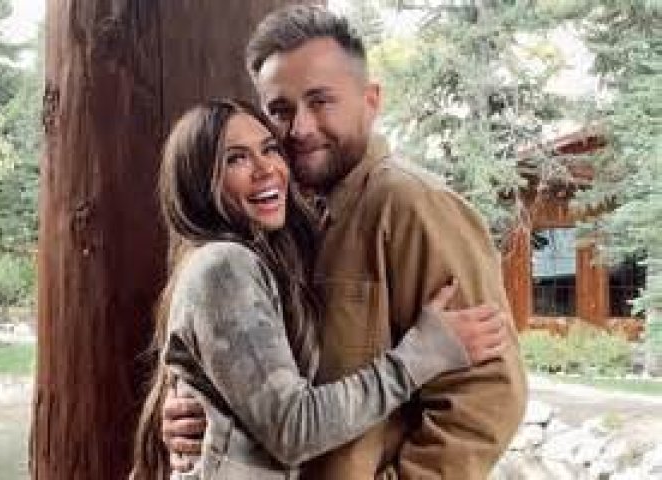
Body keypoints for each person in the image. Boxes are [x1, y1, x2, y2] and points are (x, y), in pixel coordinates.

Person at [162, 5, 528, 479]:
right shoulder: (284, 224)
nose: (300, 128)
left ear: (371, 100)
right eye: (280, 110)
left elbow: (488, 396)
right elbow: (272, 393)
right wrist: (207, 416)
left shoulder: (411, 204)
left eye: (321, 101)